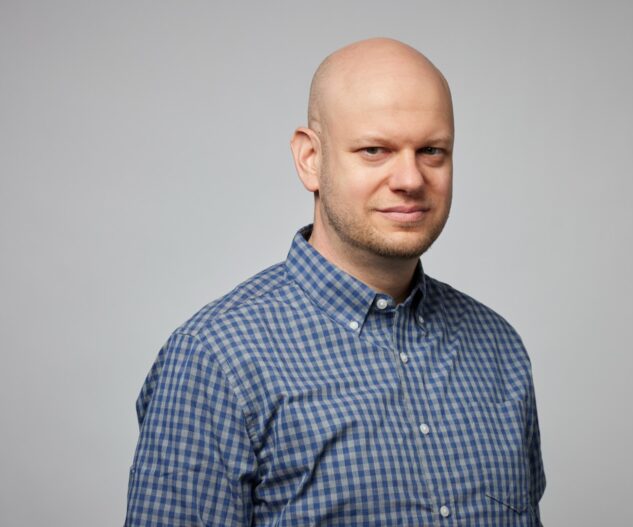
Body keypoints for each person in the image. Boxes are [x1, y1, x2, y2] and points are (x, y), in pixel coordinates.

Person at [125, 37, 545, 526]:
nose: (410, 179)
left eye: (432, 151)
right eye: (375, 150)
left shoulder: (499, 348)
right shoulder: (216, 360)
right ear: (310, 159)